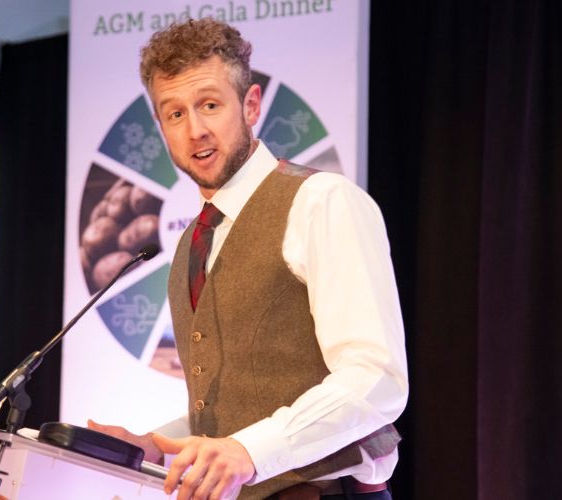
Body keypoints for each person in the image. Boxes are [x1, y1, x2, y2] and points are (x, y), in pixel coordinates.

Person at [89, 18, 408, 500]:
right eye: (174, 114)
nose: (195, 131)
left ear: (251, 105)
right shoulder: (192, 242)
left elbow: (377, 379)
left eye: (210, 105)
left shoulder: (322, 201)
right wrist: (154, 447)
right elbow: (237, 408)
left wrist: (250, 451)